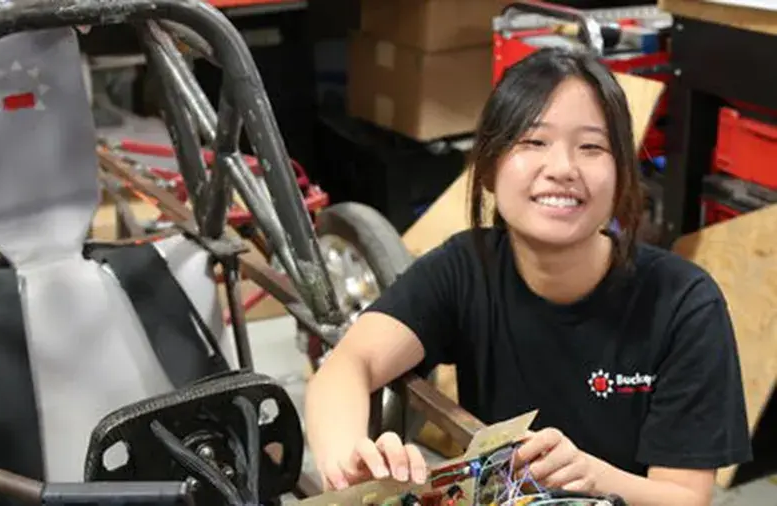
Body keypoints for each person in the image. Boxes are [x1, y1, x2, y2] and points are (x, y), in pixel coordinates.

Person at [304, 46, 752, 506]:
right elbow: (347, 366)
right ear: (492, 167)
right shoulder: (466, 268)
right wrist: (349, 465)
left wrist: (590, 475)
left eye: (592, 147)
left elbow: (684, 498)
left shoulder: (683, 303)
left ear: (621, 177)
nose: (561, 169)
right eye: (534, 142)